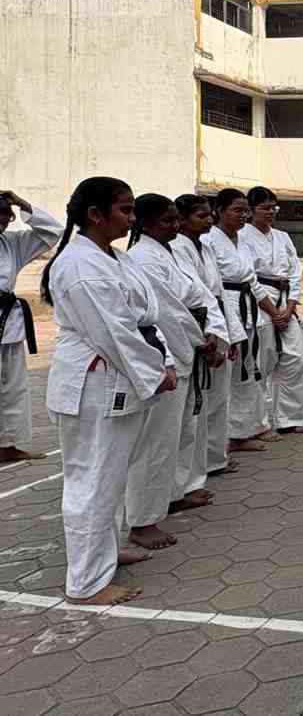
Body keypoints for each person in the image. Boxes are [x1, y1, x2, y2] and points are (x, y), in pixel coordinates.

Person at [42, 177, 177, 605]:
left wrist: (163, 360)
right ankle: (85, 583)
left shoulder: (113, 258)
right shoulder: (79, 266)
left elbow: (145, 313)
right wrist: (157, 370)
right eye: (124, 210)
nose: (131, 218)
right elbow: (114, 331)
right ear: (95, 215)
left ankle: (106, 551)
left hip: (114, 376)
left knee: (111, 475)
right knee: (92, 480)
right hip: (93, 383)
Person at [126, 194, 226, 547]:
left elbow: (204, 296)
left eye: (174, 219)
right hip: (168, 351)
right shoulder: (141, 257)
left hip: (190, 346)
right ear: (146, 222)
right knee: (156, 442)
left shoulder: (169, 253)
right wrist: (200, 341)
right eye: (167, 220)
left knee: (183, 431)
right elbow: (168, 312)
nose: (174, 225)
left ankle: (175, 491)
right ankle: (141, 522)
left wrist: (217, 333)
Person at [171, 194, 244, 477]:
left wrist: (232, 335)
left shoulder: (205, 247)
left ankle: (215, 458)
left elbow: (219, 295)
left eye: (208, 214)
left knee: (218, 399)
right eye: (201, 216)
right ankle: (194, 470)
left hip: (217, 321)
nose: (208, 220)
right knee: (198, 405)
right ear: (182, 219)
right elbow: (196, 295)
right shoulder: (179, 249)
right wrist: (208, 337)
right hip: (198, 329)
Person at [0, 190, 62, 464]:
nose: (2, 224)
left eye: (6, 219)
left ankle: (8, 444)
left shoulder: (10, 243)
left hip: (9, 322)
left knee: (15, 387)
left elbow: (52, 232)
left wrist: (24, 204)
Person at [240, 187, 303, 436]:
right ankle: (259, 424)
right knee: (262, 362)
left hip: (285, 300)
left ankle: (289, 419)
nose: (271, 212)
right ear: (251, 210)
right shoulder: (242, 237)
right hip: (259, 302)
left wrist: (289, 306)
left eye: (274, 207)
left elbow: (295, 271)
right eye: (265, 208)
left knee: (294, 359)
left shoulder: (282, 237)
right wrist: (272, 309)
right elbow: (248, 276)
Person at [209, 189, 268, 454]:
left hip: (247, 307)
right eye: (237, 210)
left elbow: (252, 280)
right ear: (219, 210)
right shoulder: (210, 240)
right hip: (225, 305)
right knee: (226, 374)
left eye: (246, 211)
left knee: (247, 369)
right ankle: (223, 439)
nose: (243, 215)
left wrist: (271, 309)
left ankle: (242, 432)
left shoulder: (242, 241)